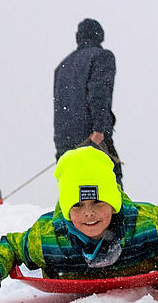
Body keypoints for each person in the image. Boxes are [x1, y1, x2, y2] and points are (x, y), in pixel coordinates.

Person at [0, 147, 158, 301]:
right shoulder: (49, 237)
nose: (89, 214)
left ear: (114, 202)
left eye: (98, 203)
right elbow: (12, 246)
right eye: (78, 206)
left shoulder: (147, 225)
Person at [53, 18, 123, 185]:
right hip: (91, 135)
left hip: (64, 139)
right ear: (100, 36)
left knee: (73, 191)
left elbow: (59, 105)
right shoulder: (102, 57)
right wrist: (99, 128)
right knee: (109, 188)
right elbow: (99, 93)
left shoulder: (62, 66)